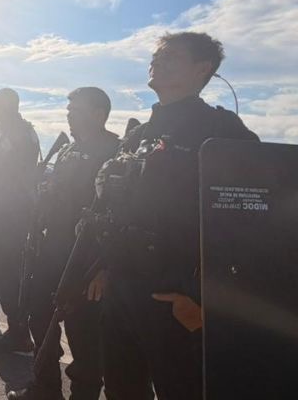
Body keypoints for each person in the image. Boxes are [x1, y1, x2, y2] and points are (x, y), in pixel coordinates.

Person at [94, 32, 258, 400]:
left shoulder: (222, 131)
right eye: (156, 54)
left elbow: (251, 223)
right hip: (122, 289)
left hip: (176, 296)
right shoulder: (137, 134)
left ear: (203, 69)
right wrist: (104, 268)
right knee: (121, 388)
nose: (158, 60)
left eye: (171, 56)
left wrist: (205, 300)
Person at [9, 87, 119, 400]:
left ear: (98, 114)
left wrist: (104, 268)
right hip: (53, 251)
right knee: (39, 316)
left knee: (85, 338)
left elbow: (121, 214)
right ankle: (45, 389)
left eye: (76, 110)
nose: (69, 115)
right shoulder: (70, 149)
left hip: (87, 260)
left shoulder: (114, 151)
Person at [0, 88, 41, 353]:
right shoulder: (4, 129)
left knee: (9, 269)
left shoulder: (17, 132)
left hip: (14, 210)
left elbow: (2, 170)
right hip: (2, 205)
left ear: (8, 106)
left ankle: (18, 330)